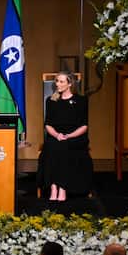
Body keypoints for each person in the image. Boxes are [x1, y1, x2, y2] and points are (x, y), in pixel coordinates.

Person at [37, 72, 90, 202]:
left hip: (75, 136)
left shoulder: (81, 100)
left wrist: (69, 135)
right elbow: (48, 125)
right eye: (56, 81)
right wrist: (57, 135)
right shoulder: (51, 100)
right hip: (56, 135)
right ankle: (54, 187)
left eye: (61, 82)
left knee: (65, 147)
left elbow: (84, 126)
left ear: (70, 83)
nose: (58, 84)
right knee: (53, 147)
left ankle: (63, 188)